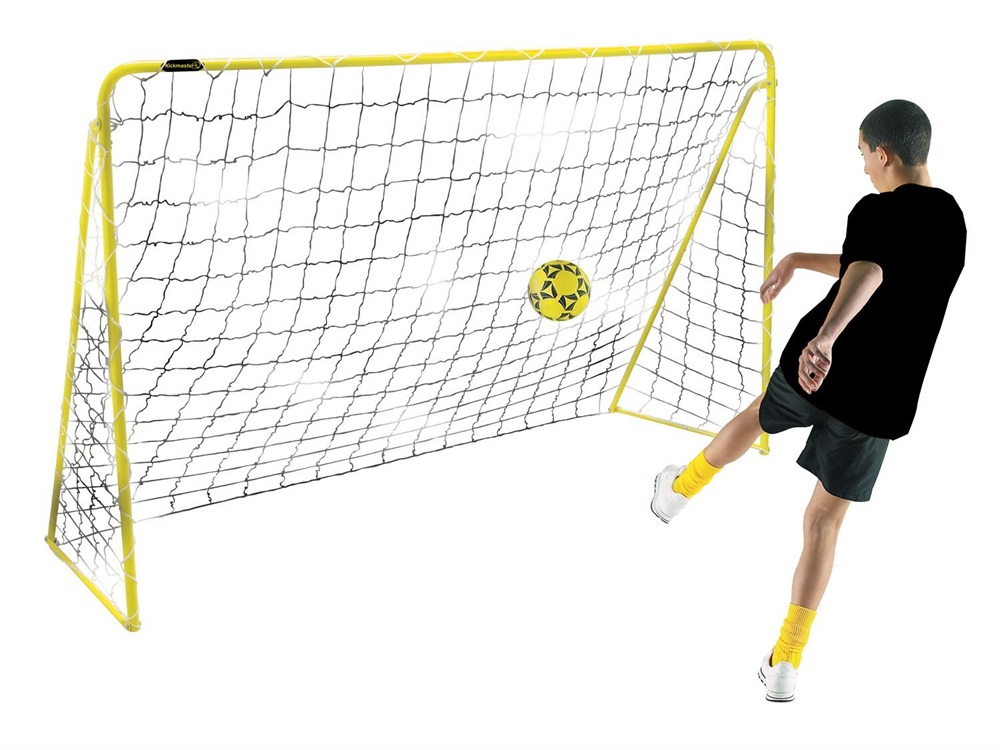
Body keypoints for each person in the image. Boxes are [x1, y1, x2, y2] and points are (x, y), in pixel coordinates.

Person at [649, 100, 966, 702]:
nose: (863, 168)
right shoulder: (952, 219)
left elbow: (869, 270)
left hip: (817, 367)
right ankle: (786, 660)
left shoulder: (874, 208)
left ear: (884, 154)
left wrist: (826, 337)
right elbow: (872, 263)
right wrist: (796, 259)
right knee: (823, 522)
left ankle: (676, 492)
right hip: (879, 401)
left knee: (756, 416)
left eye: (863, 155)